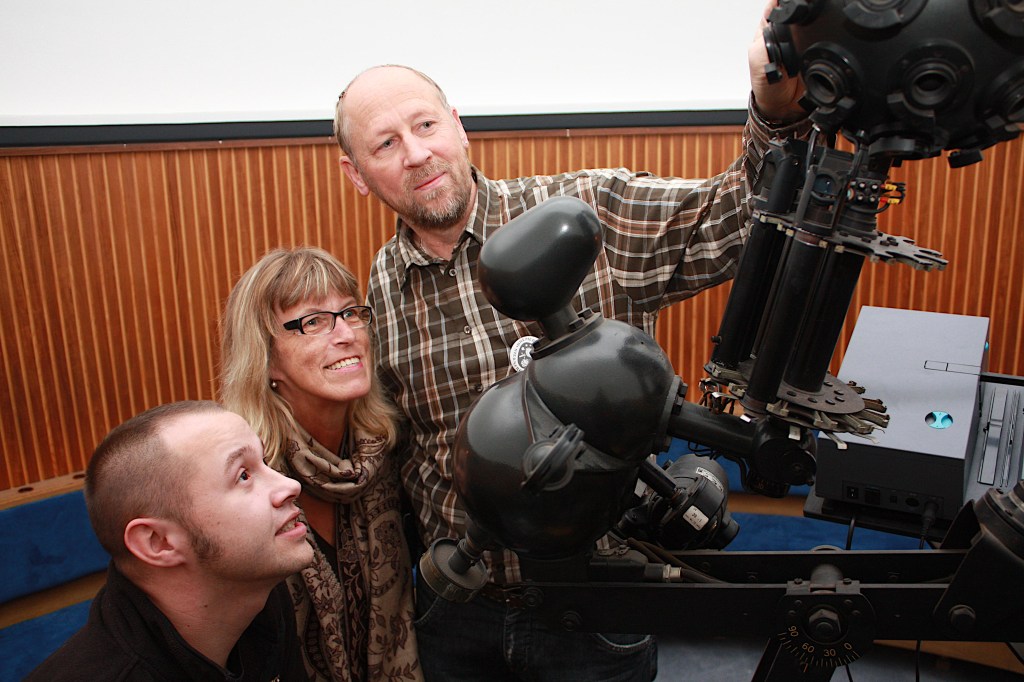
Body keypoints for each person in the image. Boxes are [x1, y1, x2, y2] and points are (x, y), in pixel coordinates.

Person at [332, 5, 809, 680]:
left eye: (426, 125)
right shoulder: (376, 295)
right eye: (384, 144)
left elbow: (737, 217)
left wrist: (776, 109)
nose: (416, 154)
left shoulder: (585, 216)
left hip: (595, 605)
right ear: (357, 173)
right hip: (457, 614)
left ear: (458, 128)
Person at [220, 246, 421, 682]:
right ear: (267, 358)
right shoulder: (241, 477)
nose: (347, 334)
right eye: (313, 322)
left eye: (351, 313)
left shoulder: (386, 450)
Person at [26, 400, 312, 681]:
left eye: (264, 462)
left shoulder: (257, 593)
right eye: (244, 475)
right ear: (158, 542)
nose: (290, 486)